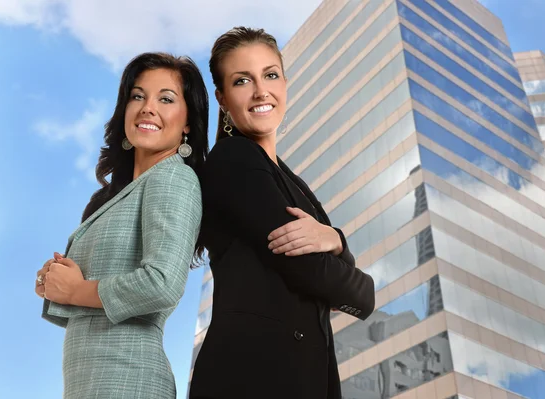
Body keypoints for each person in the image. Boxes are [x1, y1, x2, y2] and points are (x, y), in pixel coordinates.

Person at [189, 27, 375, 399]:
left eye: (270, 75)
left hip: (305, 377)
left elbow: (335, 275)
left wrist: (335, 239)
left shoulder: (296, 185)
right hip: (251, 375)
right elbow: (309, 269)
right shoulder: (234, 159)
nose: (261, 91)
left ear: (285, 83)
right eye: (243, 80)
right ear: (222, 99)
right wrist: (363, 287)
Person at [34, 52, 209, 398]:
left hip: (129, 379)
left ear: (187, 122)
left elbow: (162, 283)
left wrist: (75, 290)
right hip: (90, 381)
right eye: (138, 96)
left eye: (166, 99)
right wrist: (54, 282)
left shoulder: (174, 177)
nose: (147, 107)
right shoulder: (116, 196)